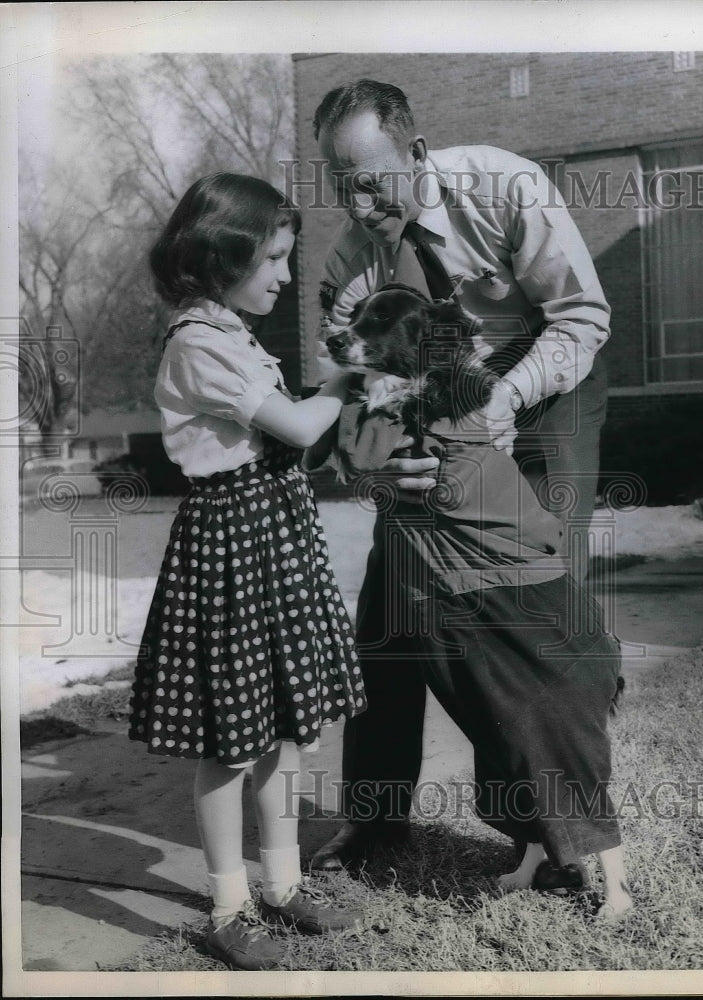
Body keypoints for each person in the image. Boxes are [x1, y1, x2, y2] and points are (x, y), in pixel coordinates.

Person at [308, 79, 612, 874]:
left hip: (544, 385)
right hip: (429, 416)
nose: (358, 200)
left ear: (414, 152)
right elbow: (347, 407)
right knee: (390, 606)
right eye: (340, 183)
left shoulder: (504, 186)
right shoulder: (348, 266)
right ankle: (374, 821)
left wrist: (504, 399)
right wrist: (383, 473)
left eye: (371, 177)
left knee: (537, 611)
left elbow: (581, 316)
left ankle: (553, 828)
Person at [127, 173, 367, 971]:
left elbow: (288, 429)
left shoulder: (230, 331)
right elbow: (297, 425)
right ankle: (229, 905)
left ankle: (284, 886)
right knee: (232, 743)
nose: (284, 276)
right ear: (223, 255)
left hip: (272, 539)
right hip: (231, 545)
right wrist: (347, 380)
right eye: (271, 258)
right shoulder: (197, 343)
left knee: (285, 735)